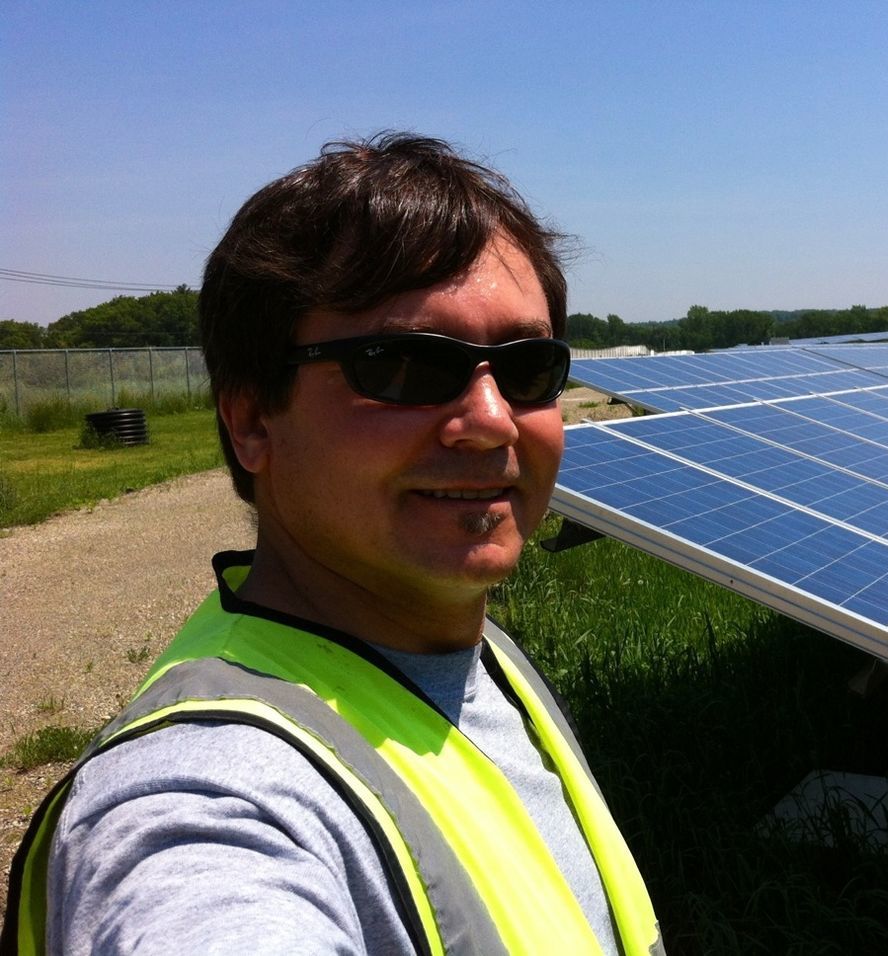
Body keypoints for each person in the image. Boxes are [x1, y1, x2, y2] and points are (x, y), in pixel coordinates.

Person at [3, 133, 663, 955]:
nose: (493, 419)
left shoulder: (467, 645)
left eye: (526, 367)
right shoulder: (208, 802)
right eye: (403, 364)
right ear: (250, 419)